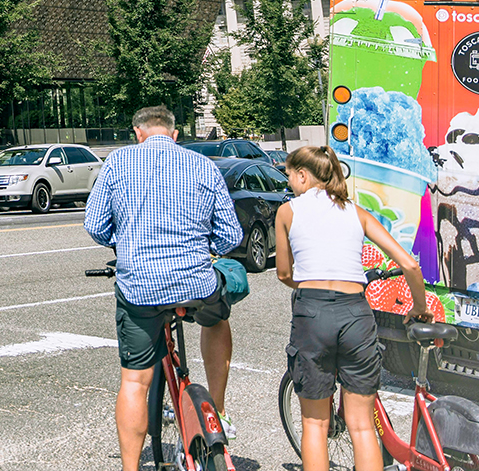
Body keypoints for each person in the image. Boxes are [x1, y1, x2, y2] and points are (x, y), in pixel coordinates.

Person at [84, 106, 244, 471]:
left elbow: (94, 225)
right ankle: (217, 411)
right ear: (173, 135)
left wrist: (125, 243)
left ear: (138, 133)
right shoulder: (203, 164)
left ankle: (130, 468)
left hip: (141, 287)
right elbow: (231, 235)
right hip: (195, 283)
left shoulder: (117, 162)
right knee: (216, 318)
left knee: (135, 382)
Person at [275, 144, 428, 471]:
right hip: (356, 314)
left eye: (290, 176)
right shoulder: (357, 212)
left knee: (315, 425)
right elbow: (410, 266)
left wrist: (308, 288)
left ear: (303, 175)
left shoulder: (287, 212)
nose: (289, 183)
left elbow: (285, 274)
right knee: (361, 426)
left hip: (312, 313)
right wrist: (419, 308)